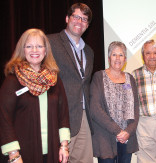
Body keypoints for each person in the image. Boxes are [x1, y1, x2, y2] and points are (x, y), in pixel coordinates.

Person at [0, 28, 70, 163]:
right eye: (29, 46)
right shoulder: (13, 80)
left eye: (39, 46)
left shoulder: (54, 79)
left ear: (45, 50)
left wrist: (64, 146)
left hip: (53, 153)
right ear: (22, 49)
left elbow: (63, 115)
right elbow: (4, 118)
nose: (34, 50)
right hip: (22, 155)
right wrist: (14, 154)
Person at [47, 3, 94, 163]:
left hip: (83, 118)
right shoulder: (49, 42)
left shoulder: (89, 51)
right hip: (60, 115)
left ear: (87, 25)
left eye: (84, 19)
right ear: (67, 18)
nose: (80, 22)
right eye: (76, 17)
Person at [90, 41, 139, 163]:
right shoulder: (98, 77)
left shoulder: (130, 79)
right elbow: (95, 109)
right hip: (106, 137)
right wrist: (117, 131)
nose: (118, 58)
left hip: (126, 138)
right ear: (108, 58)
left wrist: (128, 131)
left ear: (125, 59)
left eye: (121, 55)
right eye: (114, 54)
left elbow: (136, 109)